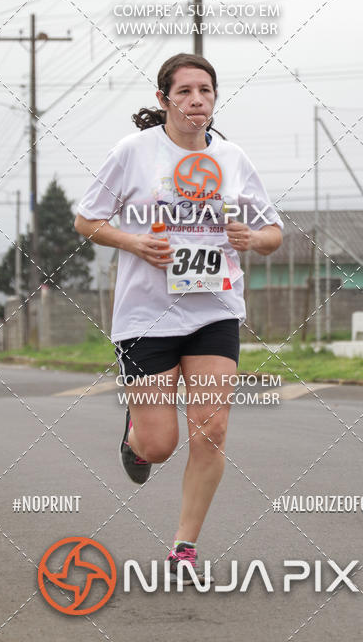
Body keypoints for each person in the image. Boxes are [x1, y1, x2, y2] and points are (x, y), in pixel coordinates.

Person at [74, 52, 283, 582]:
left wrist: (250, 238)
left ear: (215, 99)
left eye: (205, 91)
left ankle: (184, 546)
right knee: (160, 445)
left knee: (211, 430)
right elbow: (87, 219)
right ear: (164, 98)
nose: (196, 100)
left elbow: (272, 234)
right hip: (146, 316)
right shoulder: (135, 152)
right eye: (185, 91)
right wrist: (135, 242)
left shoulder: (232, 158)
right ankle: (135, 441)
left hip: (214, 309)